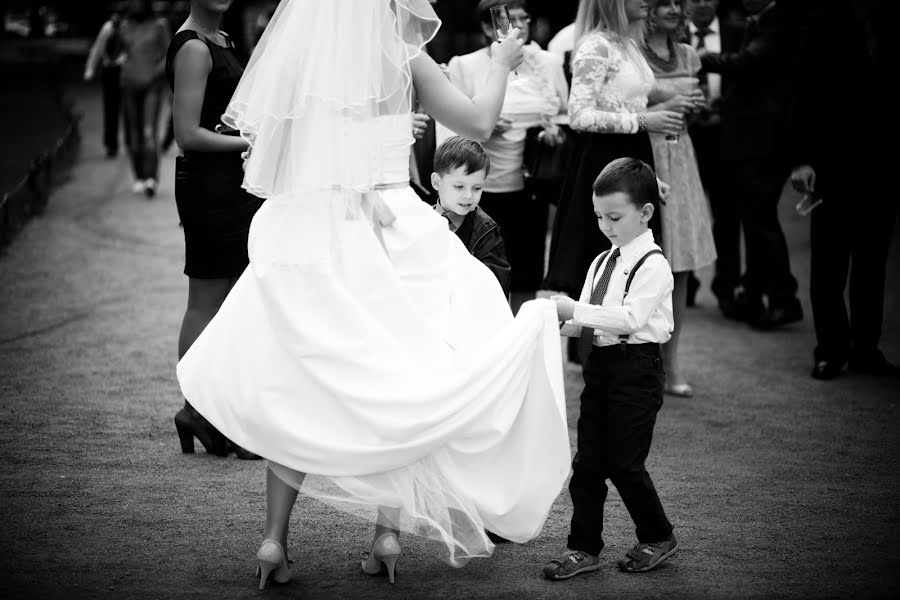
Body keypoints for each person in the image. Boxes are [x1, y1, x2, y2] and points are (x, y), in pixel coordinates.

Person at [175, 0, 571, 588]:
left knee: (296, 385)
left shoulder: (301, 59)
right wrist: (502, 64)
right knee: (404, 379)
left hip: (310, 230)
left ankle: (273, 543)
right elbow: (479, 125)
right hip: (393, 228)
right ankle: (385, 533)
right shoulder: (404, 58)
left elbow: (270, 154)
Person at [544, 157, 677, 579]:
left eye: (615, 217)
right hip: (600, 368)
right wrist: (549, 322)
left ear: (645, 212)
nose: (605, 225)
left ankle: (657, 535)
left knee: (624, 462)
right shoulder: (601, 262)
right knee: (586, 465)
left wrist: (575, 308)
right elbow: (586, 320)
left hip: (637, 371)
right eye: (599, 216)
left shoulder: (654, 264)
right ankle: (583, 548)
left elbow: (629, 319)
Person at [542, 0, 687, 363]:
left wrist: (673, 98)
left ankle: (626, 349)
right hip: (602, 159)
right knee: (602, 253)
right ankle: (593, 351)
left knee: (634, 251)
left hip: (632, 156)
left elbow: (631, 93)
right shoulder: (595, 45)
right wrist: (643, 120)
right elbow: (578, 114)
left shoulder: (629, 43)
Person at [166, 0, 264, 459]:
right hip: (208, 184)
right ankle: (195, 408)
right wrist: (251, 142)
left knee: (233, 298)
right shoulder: (194, 48)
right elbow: (186, 135)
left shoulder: (223, 39)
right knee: (206, 297)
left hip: (233, 183)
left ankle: (220, 409)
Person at [787, 0, 896, 380]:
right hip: (832, 160)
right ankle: (831, 349)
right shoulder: (822, 14)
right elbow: (802, 88)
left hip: (884, 162)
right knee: (829, 263)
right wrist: (801, 159)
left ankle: (866, 350)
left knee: (873, 263)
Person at [438, 0, 569, 315]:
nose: (520, 26)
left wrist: (553, 135)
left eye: (525, 18)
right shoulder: (464, 66)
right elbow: (448, 134)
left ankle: (522, 343)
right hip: (481, 188)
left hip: (531, 182)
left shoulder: (547, 63)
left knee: (526, 272)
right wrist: (486, 129)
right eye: (511, 20)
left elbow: (565, 115)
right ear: (487, 27)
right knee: (482, 276)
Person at [698, 0, 802, 329]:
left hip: (763, 139)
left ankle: (784, 299)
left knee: (760, 220)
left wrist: (699, 58)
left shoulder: (779, 19)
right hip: (746, 137)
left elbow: (748, 62)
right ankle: (754, 292)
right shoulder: (759, 20)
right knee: (751, 217)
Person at [642, 0, 716, 397]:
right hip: (645, 154)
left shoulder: (688, 54)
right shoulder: (633, 54)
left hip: (682, 156)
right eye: (663, 2)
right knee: (639, 260)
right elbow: (626, 106)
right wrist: (666, 103)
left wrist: (696, 109)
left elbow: (693, 113)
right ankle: (635, 363)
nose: (672, 9)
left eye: (677, 3)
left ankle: (671, 367)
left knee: (680, 266)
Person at [431, 136, 512, 296]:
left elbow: (497, 285)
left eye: (477, 188)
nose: (468, 195)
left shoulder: (487, 231)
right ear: (436, 182)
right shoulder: (422, 222)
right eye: (459, 186)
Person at [119, 0, 170, 197]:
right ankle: (138, 176)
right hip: (129, 85)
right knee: (133, 134)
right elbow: (116, 53)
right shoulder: (124, 26)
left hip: (151, 86)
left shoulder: (159, 25)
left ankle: (151, 177)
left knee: (149, 132)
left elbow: (169, 55)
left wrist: (153, 73)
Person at [84, 2, 127, 159]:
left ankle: (131, 143)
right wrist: (90, 70)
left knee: (128, 109)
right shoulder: (107, 29)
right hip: (110, 70)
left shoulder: (127, 28)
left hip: (124, 70)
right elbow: (97, 49)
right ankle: (111, 145)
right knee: (110, 109)